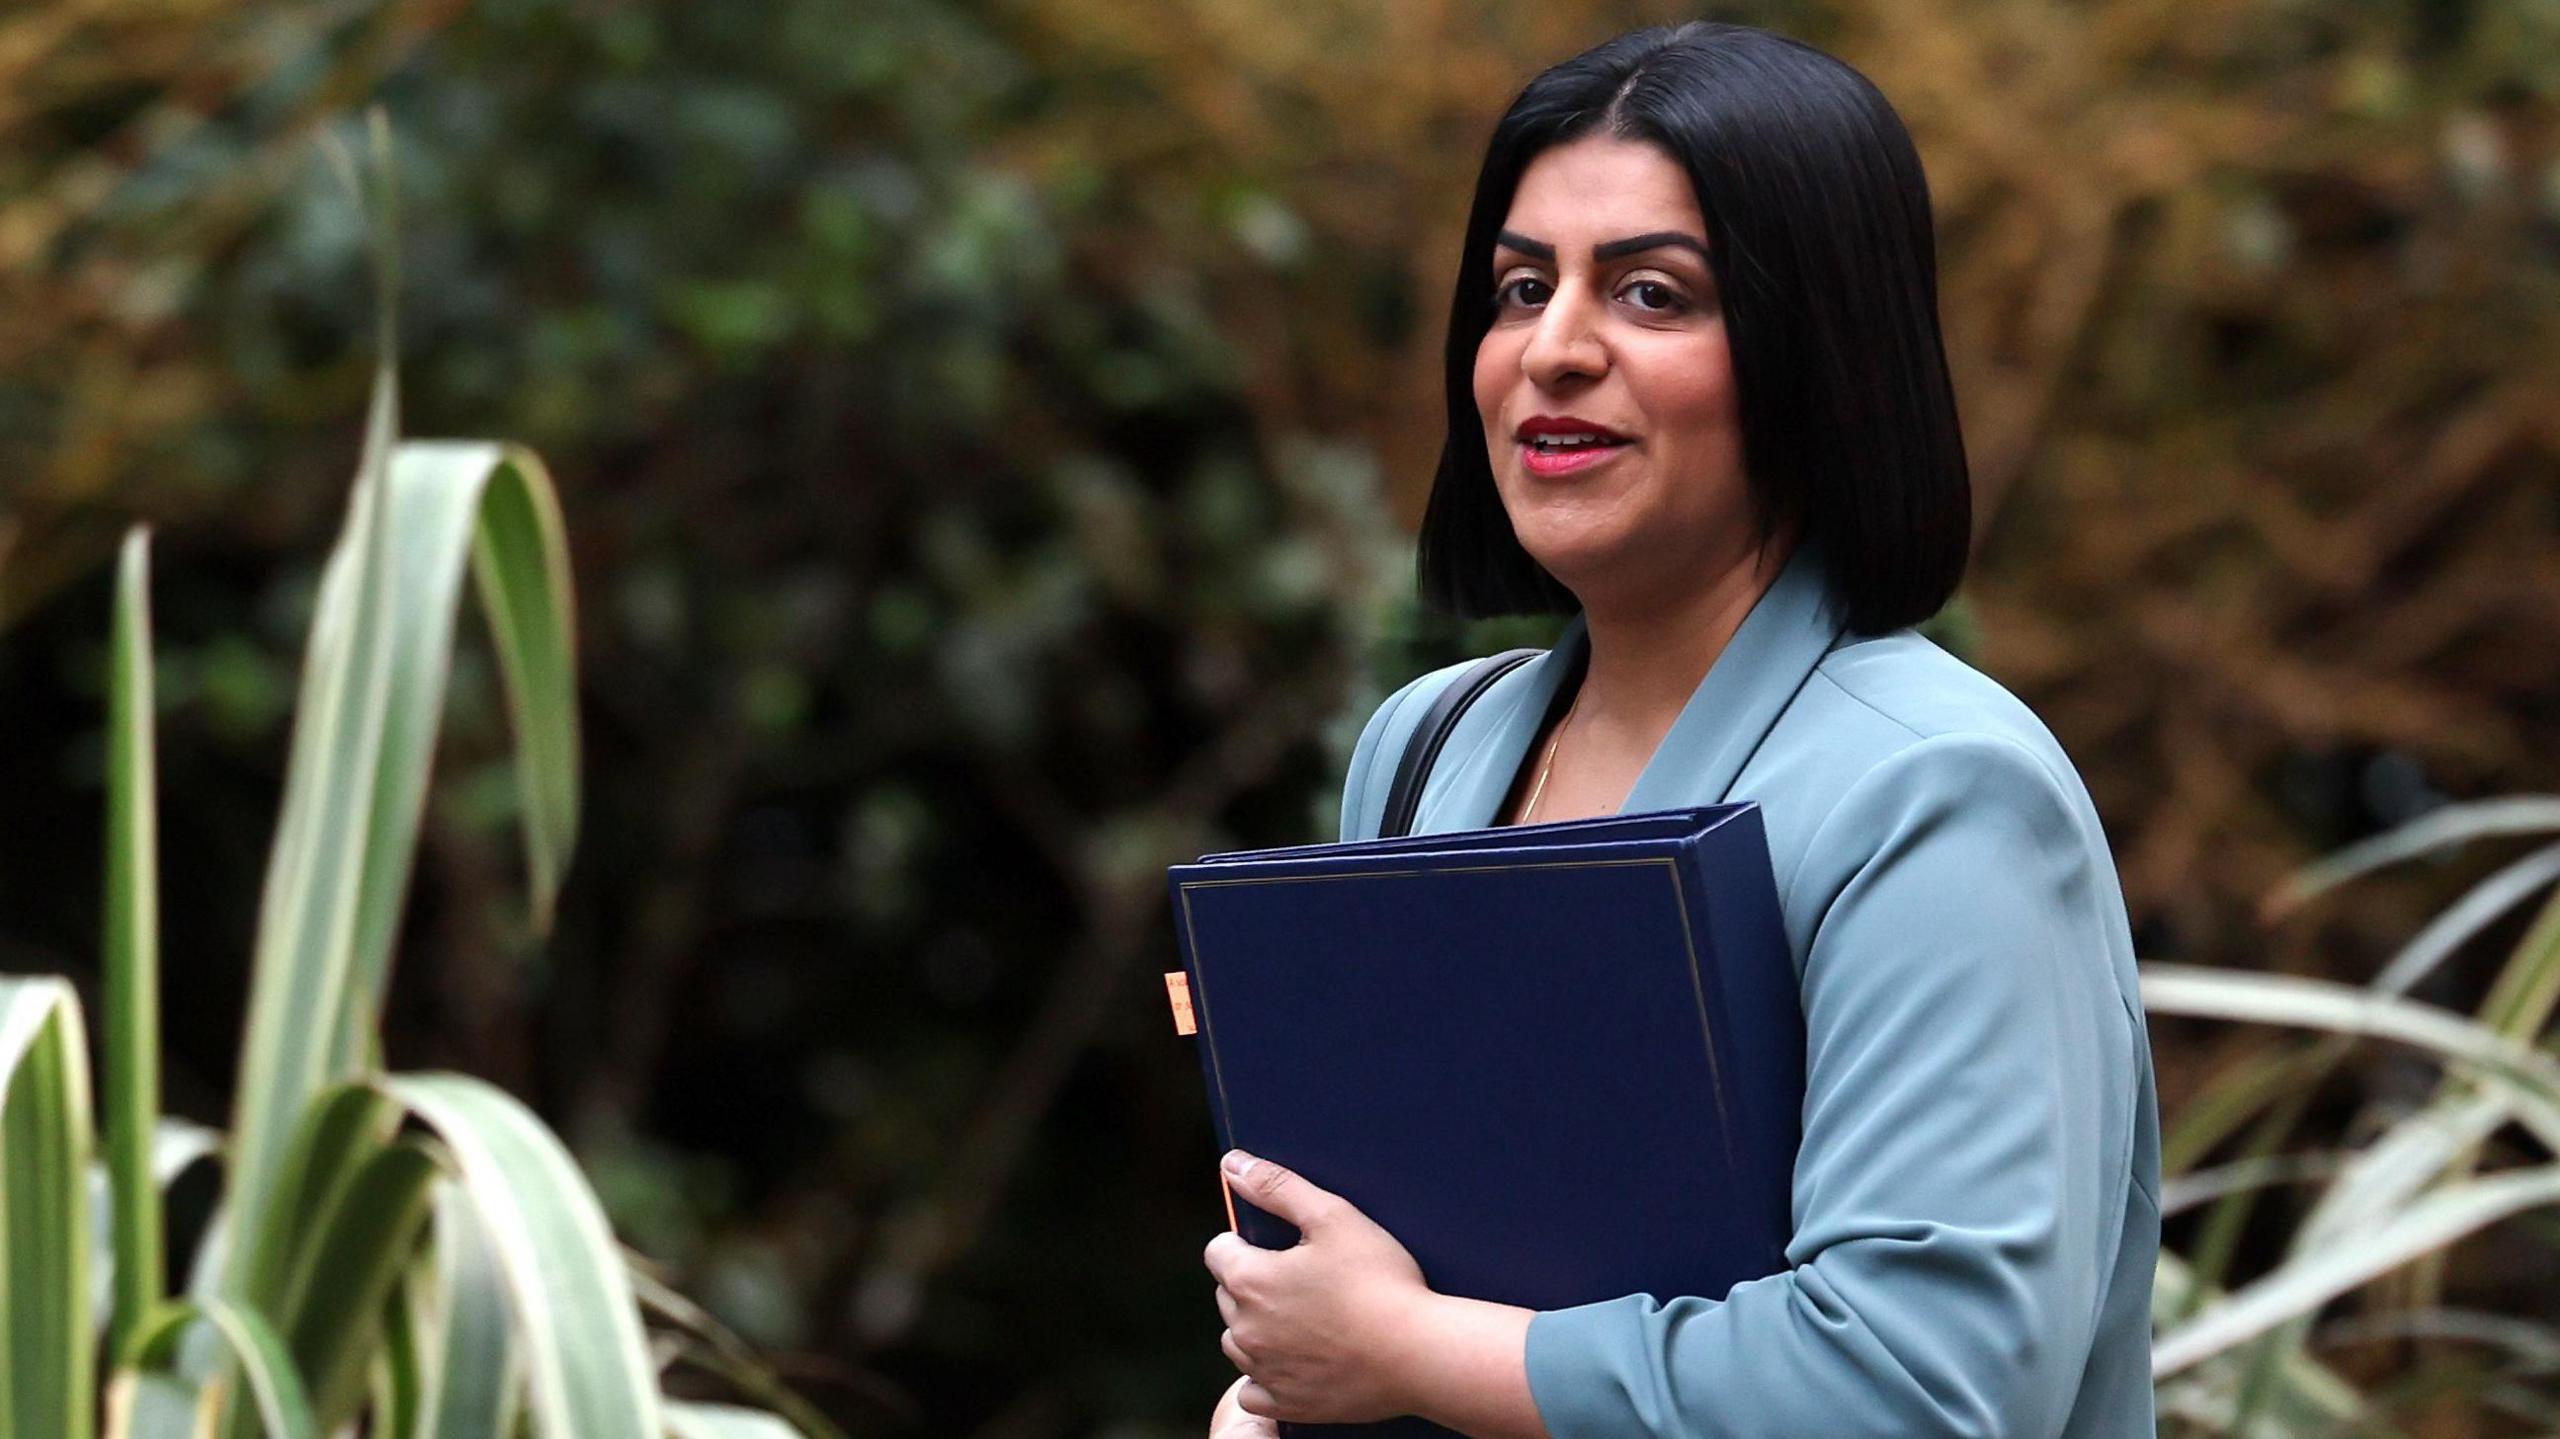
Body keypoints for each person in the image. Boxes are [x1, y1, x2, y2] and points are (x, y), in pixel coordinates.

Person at [1198, 20, 2160, 1439]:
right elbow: (1356, 1279)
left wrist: (1410, 1355)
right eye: (1520, 288)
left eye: (1652, 294)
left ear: (1812, 354)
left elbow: (1924, 1388)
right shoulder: (1422, 752)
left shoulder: (1939, 796)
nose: (1556, 349)